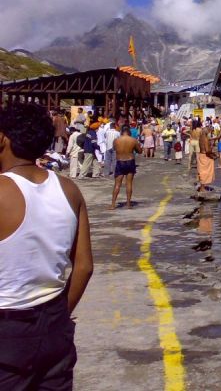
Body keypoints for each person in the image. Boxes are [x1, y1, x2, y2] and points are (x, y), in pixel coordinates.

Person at [0, 101, 93, 389]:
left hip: (7, 328)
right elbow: (85, 266)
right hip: (54, 324)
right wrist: (60, 314)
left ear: (3, 139)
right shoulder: (68, 189)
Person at [111, 125, 142, 209]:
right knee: (129, 183)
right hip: (130, 161)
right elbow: (139, 151)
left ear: (121, 132)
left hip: (120, 161)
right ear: (129, 132)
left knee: (117, 184)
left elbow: (114, 149)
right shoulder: (133, 140)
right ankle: (128, 204)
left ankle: (113, 204)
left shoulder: (116, 140)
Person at [196, 124, 216, 193]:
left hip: (201, 155)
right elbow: (207, 150)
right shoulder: (206, 139)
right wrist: (213, 154)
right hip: (205, 156)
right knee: (205, 172)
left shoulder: (200, 138)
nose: (209, 132)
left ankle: (202, 187)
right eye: (208, 131)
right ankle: (202, 188)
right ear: (206, 132)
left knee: (202, 172)